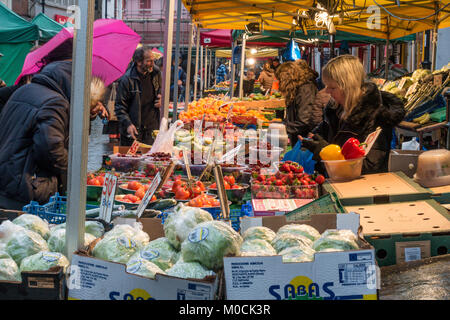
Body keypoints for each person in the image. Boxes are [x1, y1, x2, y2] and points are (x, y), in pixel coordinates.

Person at [0, 38, 107, 210]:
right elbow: (51, 152)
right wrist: (77, 170)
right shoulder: (55, 102)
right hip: (29, 191)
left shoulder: (25, 91)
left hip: (9, 183)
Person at [301, 55, 405, 174]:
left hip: (361, 188)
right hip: (337, 180)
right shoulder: (336, 109)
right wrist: (312, 140)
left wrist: (326, 151)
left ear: (348, 87)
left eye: (332, 87)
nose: (327, 91)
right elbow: (326, 133)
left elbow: (368, 167)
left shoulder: (376, 115)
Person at [115, 45, 162, 146]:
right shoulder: (127, 80)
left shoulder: (156, 73)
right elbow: (119, 107)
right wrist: (128, 124)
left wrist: (162, 99)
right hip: (133, 131)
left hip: (151, 128)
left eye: (153, 60)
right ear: (139, 62)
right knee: (132, 160)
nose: (152, 64)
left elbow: (161, 91)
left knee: (151, 159)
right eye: (149, 61)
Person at [275, 59, 323, 146]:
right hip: (299, 138)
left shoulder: (305, 89)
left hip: (305, 140)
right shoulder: (297, 89)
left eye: (280, 80)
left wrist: (283, 127)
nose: (279, 83)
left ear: (287, 78)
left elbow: (304, 120)